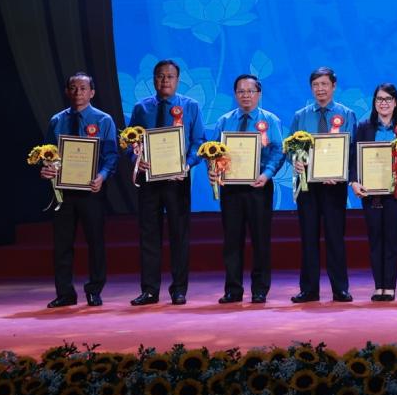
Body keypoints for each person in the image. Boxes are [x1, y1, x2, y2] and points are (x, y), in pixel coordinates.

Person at [128, 59, 205, 306]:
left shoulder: (190, 106)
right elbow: (132, 141)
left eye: (169, 77)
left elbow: (199, 141)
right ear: (154, 80)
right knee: (149, 235)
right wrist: (137, 159)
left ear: (177, 80)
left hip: (177, 181)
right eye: (160, 76)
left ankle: (179, 290)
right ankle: (149, 290)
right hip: (149, 182)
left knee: (179, 235)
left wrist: (188, 164)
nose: (165, 81)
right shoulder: (142, 108)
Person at [39, 72, 117, 308]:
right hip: (63, 192)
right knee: (62, 244)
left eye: (83, 89)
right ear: (67, 91)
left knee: (95, 242)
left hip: (91, 190)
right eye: (73, 88)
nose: (78, 93)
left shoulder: (103, 120)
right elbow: (47, 153)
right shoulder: (57, 120)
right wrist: (47, 169)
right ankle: (65, 293)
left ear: (92, 92)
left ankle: (94, 290)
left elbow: (112, 156)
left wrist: (102, 177)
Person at [207, 74, 283, 304]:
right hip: (230, 189)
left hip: (258, 187)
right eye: (241, 91)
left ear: (259, 94)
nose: (246, 95)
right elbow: (212, 150)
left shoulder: (269, 120)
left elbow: (279, 151)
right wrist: (213, 169)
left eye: (250, 91)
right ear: (235, 94)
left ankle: (260, 289)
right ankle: (233, 289)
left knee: (260, 240)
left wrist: (266, 174)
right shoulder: (224, 121)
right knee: (232, 240)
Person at [288, 66, 356, 303]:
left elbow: (352, 150)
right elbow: (291, 148)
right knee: (308, 238)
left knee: (335, 238)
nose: (320, 89)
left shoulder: (347, 114)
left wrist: (340, 172)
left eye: (324, 84)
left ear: (334, 86)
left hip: (334, 185)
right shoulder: (301, 115)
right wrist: (295, 162)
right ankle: (309, 290)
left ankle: (340, 289)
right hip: (307, 186)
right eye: (316, 85)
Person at [351, 83, 397, 302]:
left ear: (395, 102)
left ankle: (390, 286)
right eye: (379, 99)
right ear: (374, 103)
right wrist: (354, 182)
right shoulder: (364, 127)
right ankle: (378, 286)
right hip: (370, 193)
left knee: (392, 239)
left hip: (396, 192)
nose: (384, 103)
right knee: (375, 239)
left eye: (388, 99)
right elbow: (354, 158)